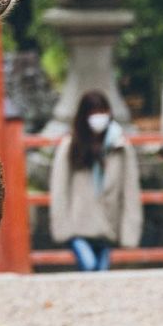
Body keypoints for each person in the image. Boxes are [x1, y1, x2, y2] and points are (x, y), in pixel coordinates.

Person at [49, 90, 142, 271]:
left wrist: (129, 232)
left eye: (102, 111)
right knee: (90, 267)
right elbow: (60, 189)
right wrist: (63, 227)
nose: (98, 117)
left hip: (107, 228)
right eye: (93, 113)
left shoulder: (120, 147)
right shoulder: (70, 146)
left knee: (101, 276)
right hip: (77, 227)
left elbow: (130, 191)